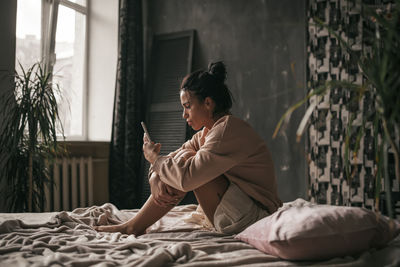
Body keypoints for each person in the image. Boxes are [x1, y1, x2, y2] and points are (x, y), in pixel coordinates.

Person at [94, 61, 282, 235]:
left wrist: (155, 160)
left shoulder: (227, 130)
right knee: (182, 159)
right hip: (239, 210)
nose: (184, 115)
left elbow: (186, 178)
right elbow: (172, 160)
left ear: (208, 103)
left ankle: (133, 226)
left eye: (187, 106)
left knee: (185, 161)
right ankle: (134, 226)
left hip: (256, 217)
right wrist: (154, 176)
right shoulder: (205, 134)